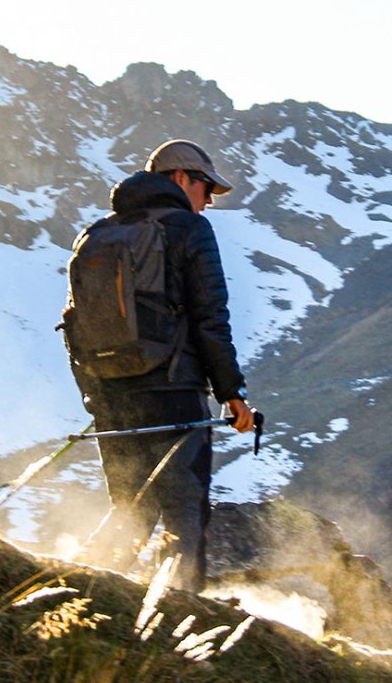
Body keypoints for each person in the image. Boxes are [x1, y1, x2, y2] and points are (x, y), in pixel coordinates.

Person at [70, 139, 254, 593]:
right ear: (179, 179)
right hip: (173, 394)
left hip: (112, 395)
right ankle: (179, 617)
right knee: (184, 511)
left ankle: (82, 598)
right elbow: (212, 319)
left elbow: (73, 323)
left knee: (130, 508)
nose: (208, 201)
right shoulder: (188, 230)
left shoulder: (97, 234)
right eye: (206, 187)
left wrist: (95, 398)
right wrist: (232, 394)